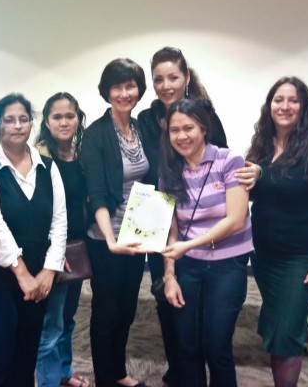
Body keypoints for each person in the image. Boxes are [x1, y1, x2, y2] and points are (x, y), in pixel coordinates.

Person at [137, 46, 258, 386]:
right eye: (158, 79)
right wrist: (171, 267)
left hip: (219, 254)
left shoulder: (218, 142)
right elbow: (166, 207)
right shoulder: (147, 122)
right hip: (165, 227)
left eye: (172, 76)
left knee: (215, 344)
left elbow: (233, 195)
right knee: (181, 334)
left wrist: (254, 171)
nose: (165, 84)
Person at [246, 77, 308, 387]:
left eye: (293, 100)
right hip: (263, 255)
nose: (285, 106)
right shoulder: (262, 146)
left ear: (304, 107)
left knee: (285, 332)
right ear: (269, 105)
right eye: (279, 99)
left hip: (302, 257)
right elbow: (253, 194)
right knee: (278, 320)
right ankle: (305, 321)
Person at [0, 93, 67, 387]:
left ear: (31, 123)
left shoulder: (49, 167)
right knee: (0, 353)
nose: (17, 126)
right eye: (9, 120)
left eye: (23, 119)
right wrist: (22, 274)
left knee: (27, 353)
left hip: (40, 275)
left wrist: (49, 272)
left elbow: (60, 221)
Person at [159, 98, 254, 387]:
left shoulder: (229, 160)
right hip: (187, 266)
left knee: (216, 346)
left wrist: (188, 246)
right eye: (175, 130)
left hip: (227, 265)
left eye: (188, 127)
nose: (182, 136)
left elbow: (236, 219)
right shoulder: (169, 170)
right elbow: (171, 228)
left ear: (203, 128)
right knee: (187, 346)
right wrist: (169, 275)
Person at [81, 58, 151, 387]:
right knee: (107, 311)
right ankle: (105, 378)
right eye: (117, 87)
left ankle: (118, 371)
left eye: (130, 86)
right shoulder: (96, 135)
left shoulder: (141, 129)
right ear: (106, 91)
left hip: (138, 233)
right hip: (106, 237)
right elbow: (96, 192)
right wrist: (111, 240)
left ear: (139, 89)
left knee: (127, 308)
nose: (124, 93)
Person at [35, 92, 90, 387]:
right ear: (47, 121)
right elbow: (36, 212)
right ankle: (48, 382)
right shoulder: (39, 159)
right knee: (50, 326)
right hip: (53, 253)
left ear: (78, 119)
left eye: (70, 116)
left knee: (68, 319)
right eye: (57, 116)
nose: (64, 122)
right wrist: (53, 252)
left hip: (77, 249)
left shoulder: (81, 156)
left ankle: (64, 372)